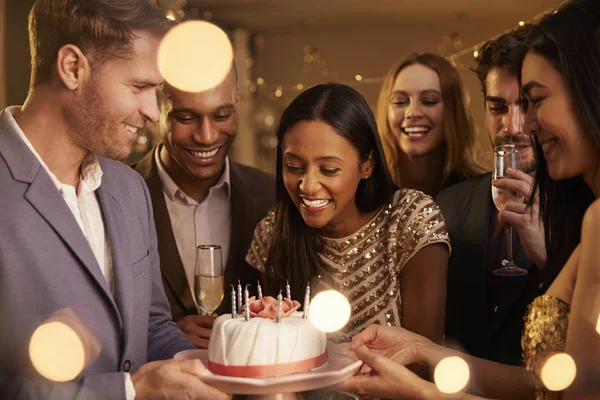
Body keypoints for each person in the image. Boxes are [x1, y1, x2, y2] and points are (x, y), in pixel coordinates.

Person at [339, 1, 600, 398]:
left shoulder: (589, 214)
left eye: (534, 101)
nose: (522, 125)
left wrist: (421, 393)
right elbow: (545, 385)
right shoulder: (443, 205)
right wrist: (423, 349)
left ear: (587, 91)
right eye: (499, 107)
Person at [0, 1, 229, 399]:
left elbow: (152, 328)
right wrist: (130, 391)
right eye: (139, 87)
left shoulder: (129, 188)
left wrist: (238, 367)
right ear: (73, 68)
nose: (152, 113)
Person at [246, 83, 450, 350]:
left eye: (329, 169)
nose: (307, 186)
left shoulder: (409, 219)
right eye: (293, 166)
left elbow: (424, 359)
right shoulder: (274, 230)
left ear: (367, 165)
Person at [436, 25, 557, 367]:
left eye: (527, 105)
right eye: (498, 108)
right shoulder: (446, 205)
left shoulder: (581, 208)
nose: (513, 126)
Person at [133, 65, 275, 349]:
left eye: (222, 115)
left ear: (236, 101)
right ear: (155, 109)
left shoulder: (272, 196)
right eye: (185, 118)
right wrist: (161, 339)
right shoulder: (115, 196)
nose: (207, 136)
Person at [376, 53, 483, 196]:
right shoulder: (364, 194)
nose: (412, 112)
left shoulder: (478, 196)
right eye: (400, 102)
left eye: (429, 101)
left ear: (453, 111)